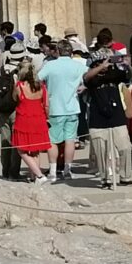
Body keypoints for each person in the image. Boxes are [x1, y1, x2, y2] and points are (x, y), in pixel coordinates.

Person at [82, 40, 132, 185]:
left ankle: (125, 177)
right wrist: (101, 67)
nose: (106, 65)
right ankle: (105, 179)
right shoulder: (92, 77)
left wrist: (127, 65)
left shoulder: (114, 73)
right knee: (101, 153)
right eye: (102, 63)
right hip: (98, 120)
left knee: (125, 148)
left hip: (116, 116)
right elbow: (86, 78)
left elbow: (130, 75)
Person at [37, 35, 88, 180]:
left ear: (58, 51)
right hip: (72, 106)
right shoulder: (78, 66)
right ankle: (67, 169)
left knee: (53, 140)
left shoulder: (51, 65)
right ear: (71, 52)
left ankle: (53, 170)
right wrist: (84, 86)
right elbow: (90, 74)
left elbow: (37, 78)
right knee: (70, 140)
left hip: (55, 107)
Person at [7, 49, 52, 178]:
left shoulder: (19, 86)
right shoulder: (41, 86)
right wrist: (46, 117)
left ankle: (38, 175)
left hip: (24, 120)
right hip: (39, 119)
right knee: (35, 151)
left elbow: (15, 99)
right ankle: (34, 176)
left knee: (21, 149)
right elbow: (46, 105)